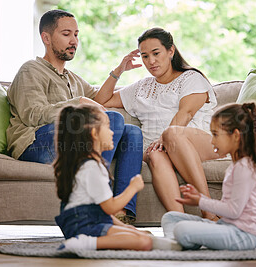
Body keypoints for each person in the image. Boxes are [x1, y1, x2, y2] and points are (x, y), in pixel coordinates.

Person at [6, 10, 142, 223]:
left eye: (76, 35)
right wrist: (77, 103)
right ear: (46, 38)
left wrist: (118, 71)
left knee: (132, 132)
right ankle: (94, 205)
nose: (74, 41)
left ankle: (120, 213)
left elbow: (99, 99)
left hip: (68, 140)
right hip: (34, 143)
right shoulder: (31, 70)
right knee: (112, 120)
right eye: (67, 34)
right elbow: (32, 114)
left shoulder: (73, 79)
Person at [94, 27, 219, 220]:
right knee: (155, 156)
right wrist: (119, 70)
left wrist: (164, 137)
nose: (151, 61)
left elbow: (186, 113)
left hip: (196, 142)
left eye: (156, 53)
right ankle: (180, 222)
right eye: (144, 56)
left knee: (172, 134)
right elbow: (101, 101)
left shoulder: (191, 78)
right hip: (158, 149)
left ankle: (209, 212)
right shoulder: (142, 87)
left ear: (171, 51)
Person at [53, 104, 181, 252]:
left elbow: (103, 213)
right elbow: (110, 208)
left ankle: (154, 242)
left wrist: (130, 230)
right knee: (143, 242)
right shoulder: (91, 168)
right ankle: (82, 244)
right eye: (108, 127)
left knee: (143, 235)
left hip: (89, 221)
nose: (112, 132)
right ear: (94, 134)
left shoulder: (91, 165)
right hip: (83, 225)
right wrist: (132, 188)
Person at [160, 102, 256, 250]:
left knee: (182, 229)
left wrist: (201, 201)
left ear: (235, 136)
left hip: (244, 235)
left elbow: (234, 211)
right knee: (171, 218)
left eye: (215, 134)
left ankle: (177, 242)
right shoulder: (237, 165)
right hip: (226, 226)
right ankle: (176, 243)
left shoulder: (245, 168)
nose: (212, 141)